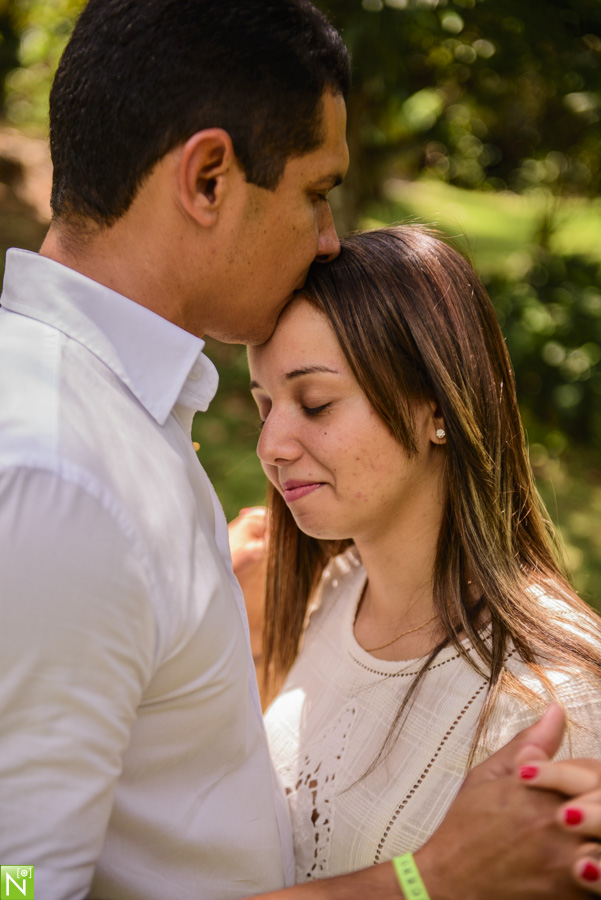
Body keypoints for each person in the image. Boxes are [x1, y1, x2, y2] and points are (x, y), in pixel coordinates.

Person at [0, 0, 600, 897]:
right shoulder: (68, 478)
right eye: (318, 191)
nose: (328, 236)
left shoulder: (77, 413)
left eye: (315, 401)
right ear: (208, 177)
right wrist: (425, 879)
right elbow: (20, 879)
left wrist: (200, 658)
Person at [243, 225, 601, 887]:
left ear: (436, 405)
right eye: (263, 405)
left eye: (313, 403)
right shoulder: (331, 593)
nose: (271, 445)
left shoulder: (552, 705)